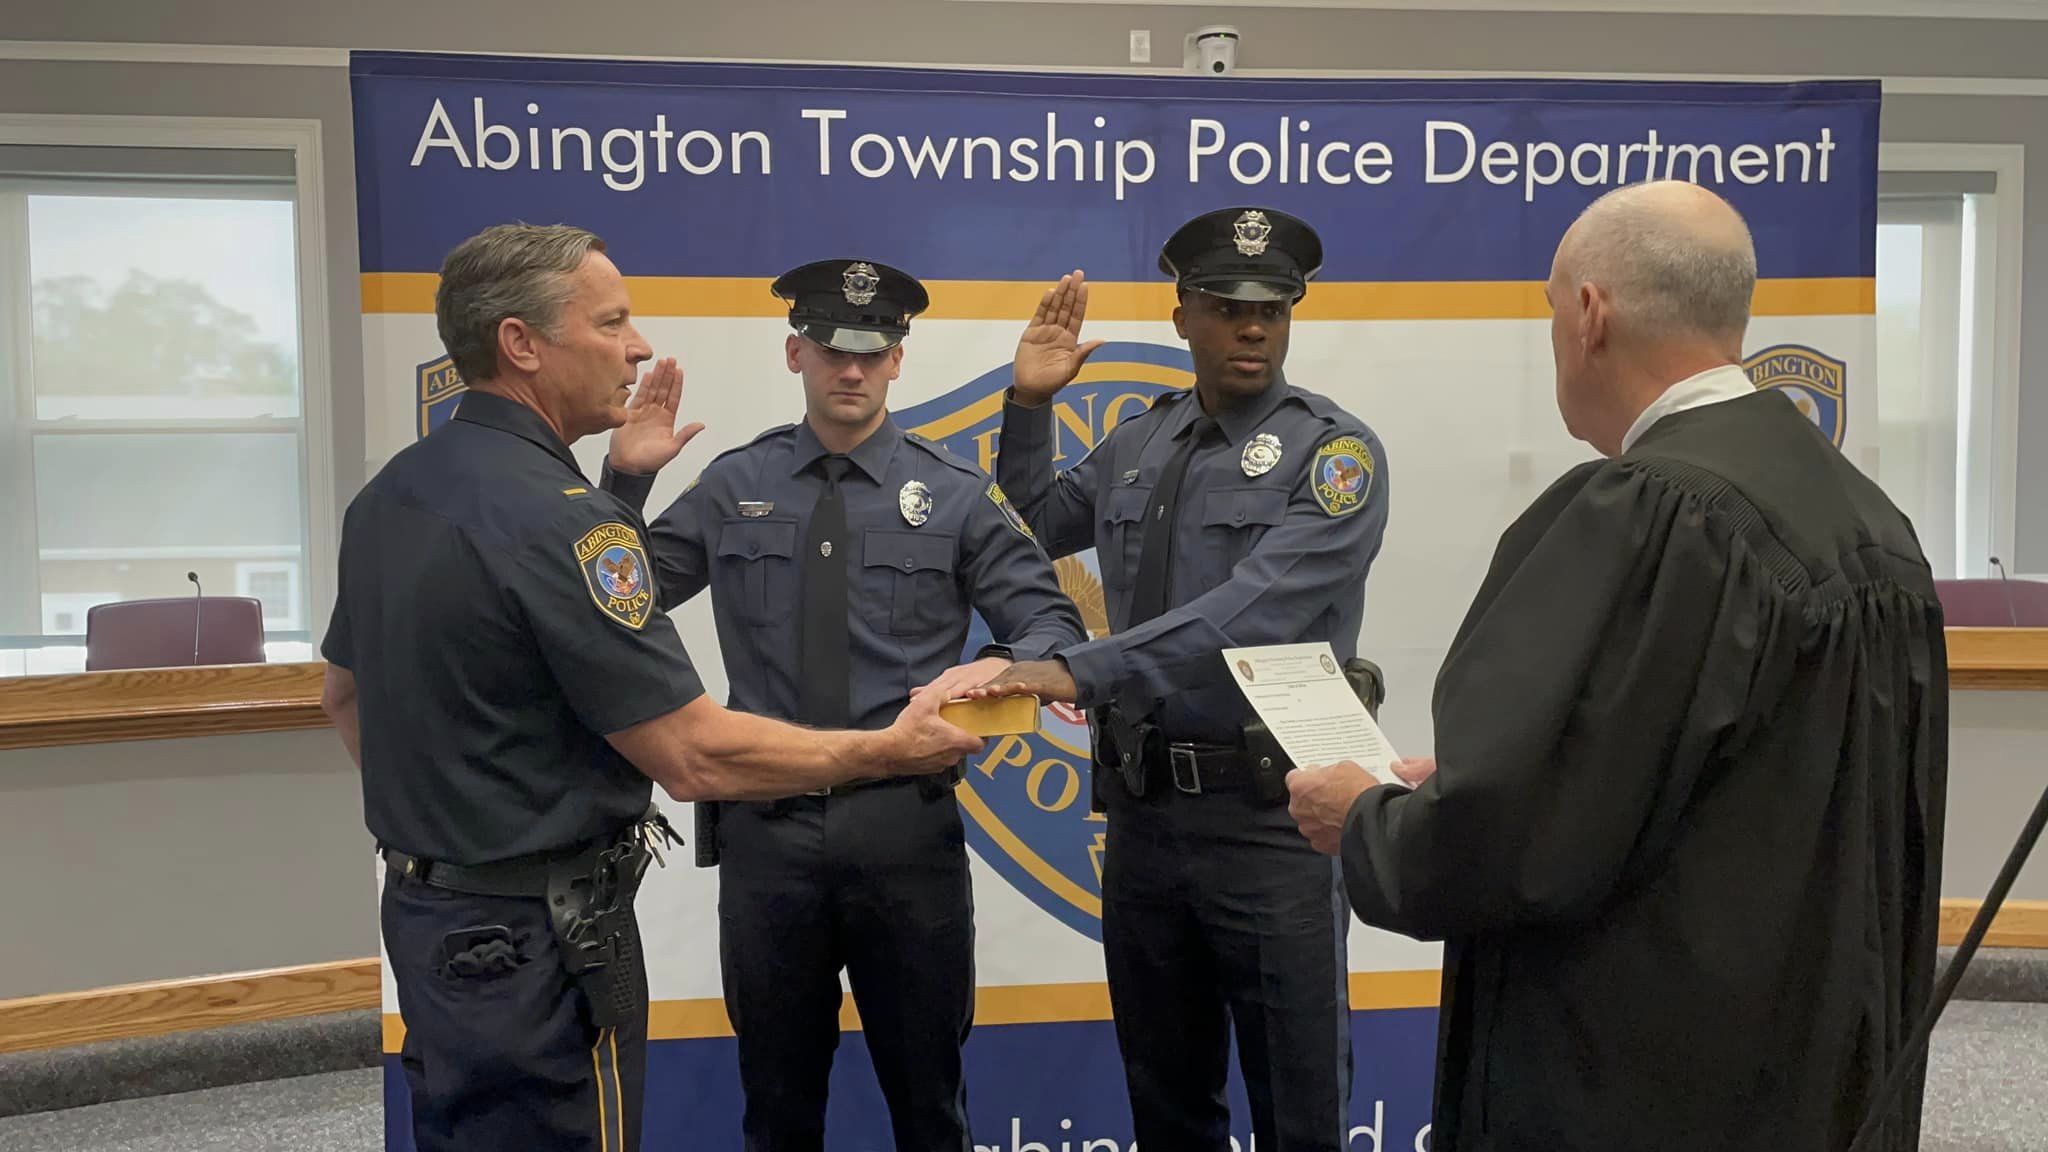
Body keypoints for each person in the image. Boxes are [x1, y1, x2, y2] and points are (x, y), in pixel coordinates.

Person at [1286, 181, 1948, 1152]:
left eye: (1552, 308)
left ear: (1589, 315)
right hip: (1810, 1081)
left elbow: (1510, 843)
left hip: (1641, 1081)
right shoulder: (1867, 522)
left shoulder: (1650, 515)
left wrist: (1369, 822)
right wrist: (1469, 787)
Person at [318, 224, 981, 1152]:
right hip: (547, 937)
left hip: (430, 917)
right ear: (522, 344)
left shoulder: (392, 491)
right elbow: (694, 754)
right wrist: (888, 750)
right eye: (614, 321)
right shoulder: (566, 522)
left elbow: (343, 698)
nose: (637, 348)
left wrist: (457, 826)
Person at [600, 257, 1086, 1152]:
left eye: (873, 350)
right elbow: (610, 602)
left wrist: (995, 675)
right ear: (796, 354)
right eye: (830, 350)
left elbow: (1052, 628)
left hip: (905, 837)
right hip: (768, 840)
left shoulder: (955, 494)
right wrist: (624, 483)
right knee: (777, 1108)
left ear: (900, 358)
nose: (851, 370)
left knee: (929, 1106)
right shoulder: (731, 486)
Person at [965, 207, 1391, 1152]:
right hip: (1147, 821)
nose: (1254, 327)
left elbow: (1253, 610)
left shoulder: (1335, 453)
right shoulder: (1140, 442)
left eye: (1274, 310)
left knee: (1301, 1113)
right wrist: (1027, 405)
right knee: (1166, 1108)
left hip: (1275, 822)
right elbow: (1030, 521)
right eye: (1229, 306)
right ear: (1183, 315)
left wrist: (1074, 667)